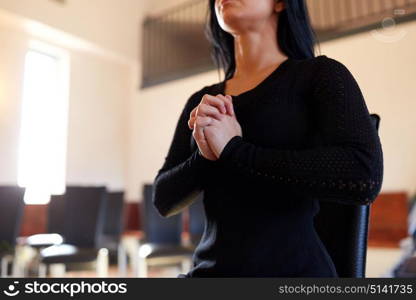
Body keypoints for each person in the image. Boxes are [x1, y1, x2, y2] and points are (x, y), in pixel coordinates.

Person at [152, 0, 384, 277]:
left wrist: (233, 150)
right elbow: (163, 200)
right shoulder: (203, 101)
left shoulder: (320, 75)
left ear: (280, 3)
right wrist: (205, 157)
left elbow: (363, 177)